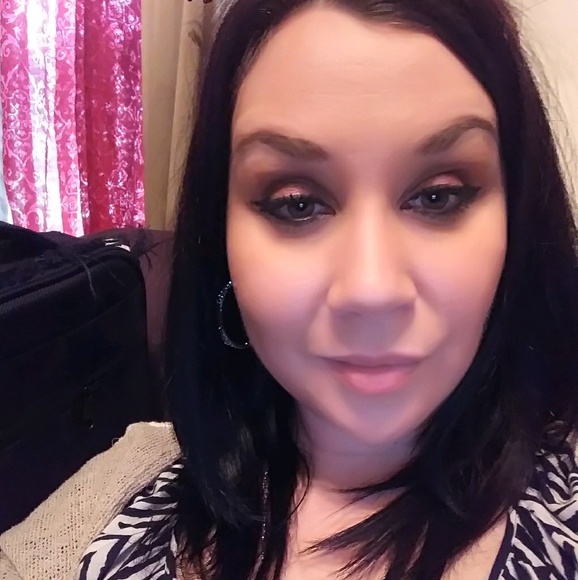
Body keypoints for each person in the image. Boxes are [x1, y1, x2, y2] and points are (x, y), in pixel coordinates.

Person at [2, 0, 578, 579]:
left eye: (438, 195)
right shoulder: (94, 509)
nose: (371, 289)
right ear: (222, 239)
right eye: (297, 204)